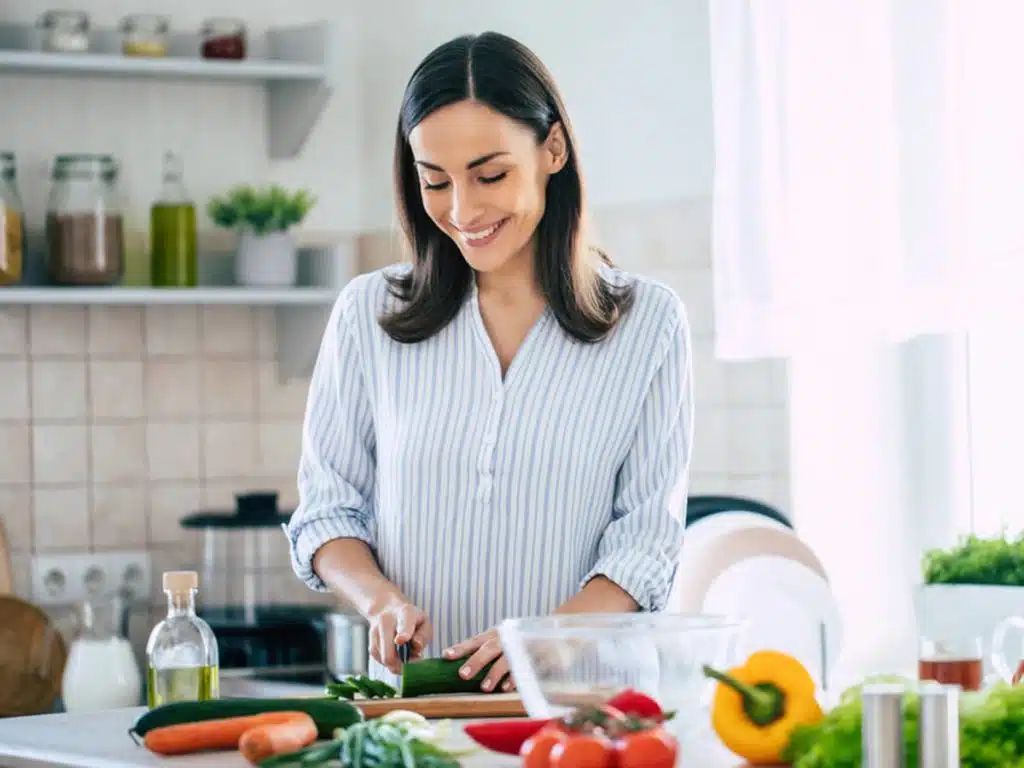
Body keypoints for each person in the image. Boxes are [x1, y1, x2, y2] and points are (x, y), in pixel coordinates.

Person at [285, 30, 694, 691]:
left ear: (552, 149)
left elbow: (648, 538)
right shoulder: (368, 315)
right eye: (435, 181)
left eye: (490, 174)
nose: (462, 210)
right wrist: (379, 600)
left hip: (586, 710)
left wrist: (546, 642)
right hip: (415, 713)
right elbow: (329, 511)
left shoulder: (648, 323)